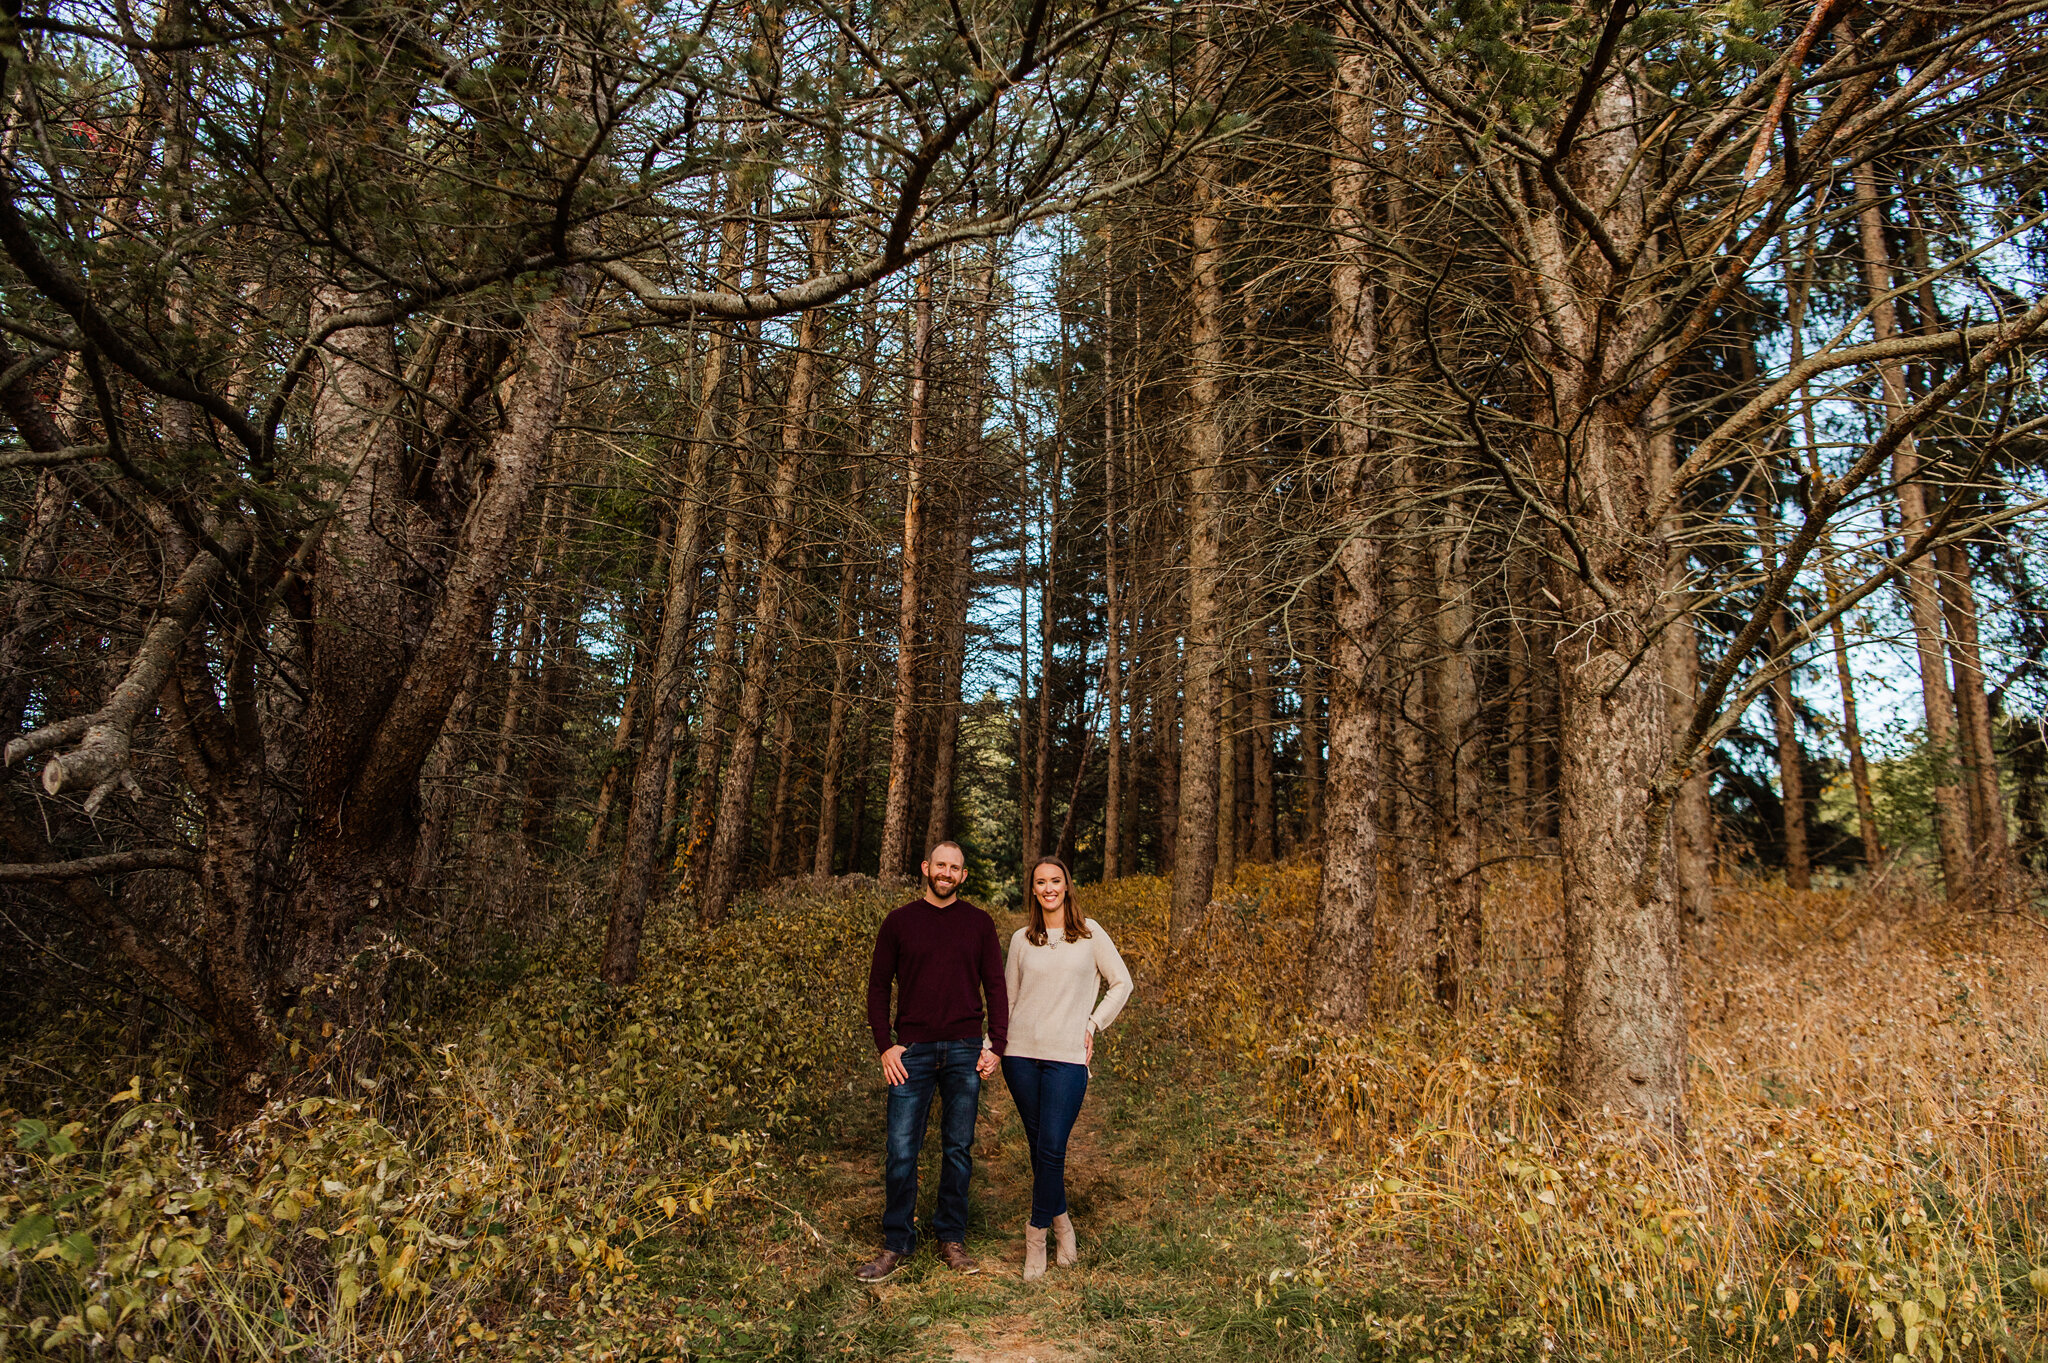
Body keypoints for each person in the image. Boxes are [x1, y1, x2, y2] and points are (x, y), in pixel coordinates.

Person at [855, 840, 1007, 1281]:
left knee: (957, 1148)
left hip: (963, 1050)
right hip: (913, 1053)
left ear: (963, 876)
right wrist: (885, 1044)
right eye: (940, 865)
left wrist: (995, 1044)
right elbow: (878, 987)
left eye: (954, 868)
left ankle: (951, 1238)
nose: (946, 872)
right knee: (901, 1150)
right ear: (926, 868)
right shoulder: (899, 922)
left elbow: (996, 988)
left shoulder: (979, 924)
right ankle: (896, 1243)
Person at [1000, 855, 1133, 1280]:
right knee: (1041, 1150)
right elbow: (1009, 999)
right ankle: (1062, 1222)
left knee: (1053, 1146)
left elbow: (1122, 983)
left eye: (1055, 880)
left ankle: (1036, 1233)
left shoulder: (1091, 934)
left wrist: (1093, 1023)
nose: (1049, 888)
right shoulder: (1022, 939)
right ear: (1034, 890)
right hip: (1020, 1056)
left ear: (1066, 885)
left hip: (1067, 1058)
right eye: (1041, 882)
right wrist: (993, 1043)